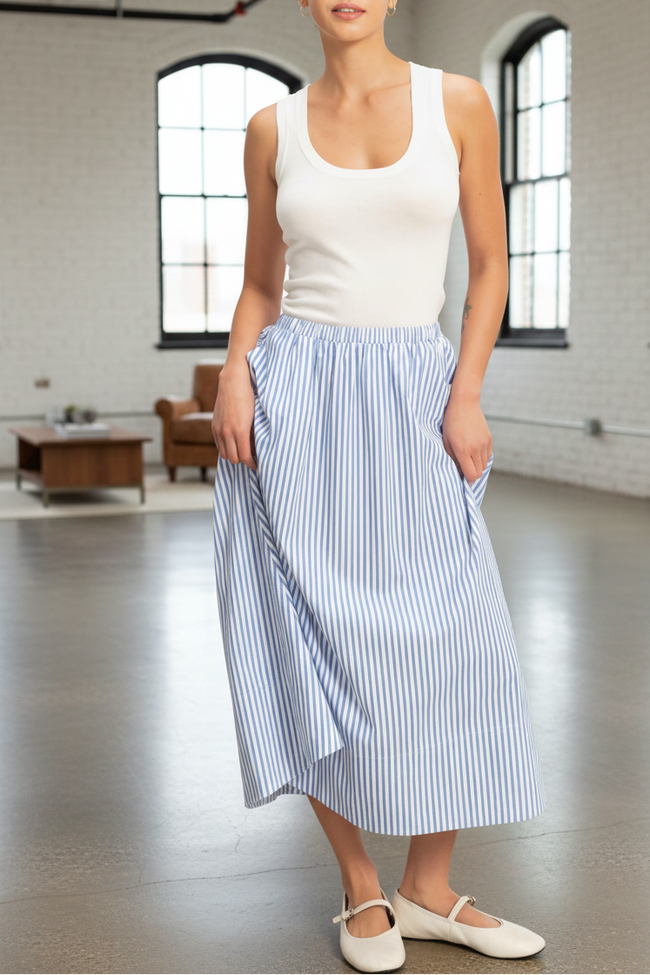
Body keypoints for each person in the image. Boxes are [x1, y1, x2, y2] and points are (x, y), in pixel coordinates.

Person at [211, 1, 546, 971]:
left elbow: (489, 267)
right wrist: (235, 371)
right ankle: (362, 888)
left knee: (451, 635)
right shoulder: (271, 128)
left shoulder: (459, 102)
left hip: (415, 392)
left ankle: (428, 888)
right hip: (296, 398)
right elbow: (261, 286)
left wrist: (467, 393)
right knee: (310, 636)